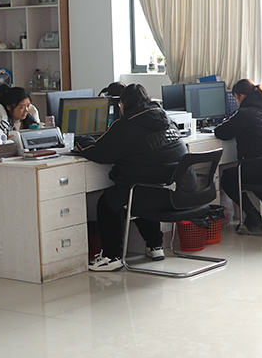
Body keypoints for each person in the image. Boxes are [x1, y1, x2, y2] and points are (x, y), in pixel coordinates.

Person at [77, 84, 187, 271]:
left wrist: (82, 139)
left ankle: (111, 257)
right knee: (142, 190)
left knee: (109, 202)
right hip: (174, 193)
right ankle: (155, 245)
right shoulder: (166, 119)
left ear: (123, 104)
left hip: (148, 193)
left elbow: (100, 153)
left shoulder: (125, 125)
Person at [215, 78, 262, 229]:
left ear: (241, 96)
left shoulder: (244, 113)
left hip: (258, 169)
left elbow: (221, 132)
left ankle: (252, 215)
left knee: (228, 179)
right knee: (254, 170)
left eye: (235, 98)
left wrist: (227, 120)